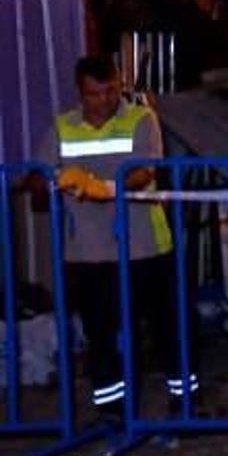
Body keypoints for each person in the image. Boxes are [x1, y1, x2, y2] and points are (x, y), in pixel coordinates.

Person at [34, 56, 196, 419]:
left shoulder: (141, 119)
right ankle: (112, 411)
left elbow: (143, 172)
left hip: (145, 244)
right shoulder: (63, 126)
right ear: (80, 92)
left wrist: (100, 186)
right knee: (101, 335)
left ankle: (184, 402)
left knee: (168, 326)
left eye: (111, 91)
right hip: (88, 251)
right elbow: (37, 174)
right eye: (95, 93)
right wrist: (48, 181)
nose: (105, 100)